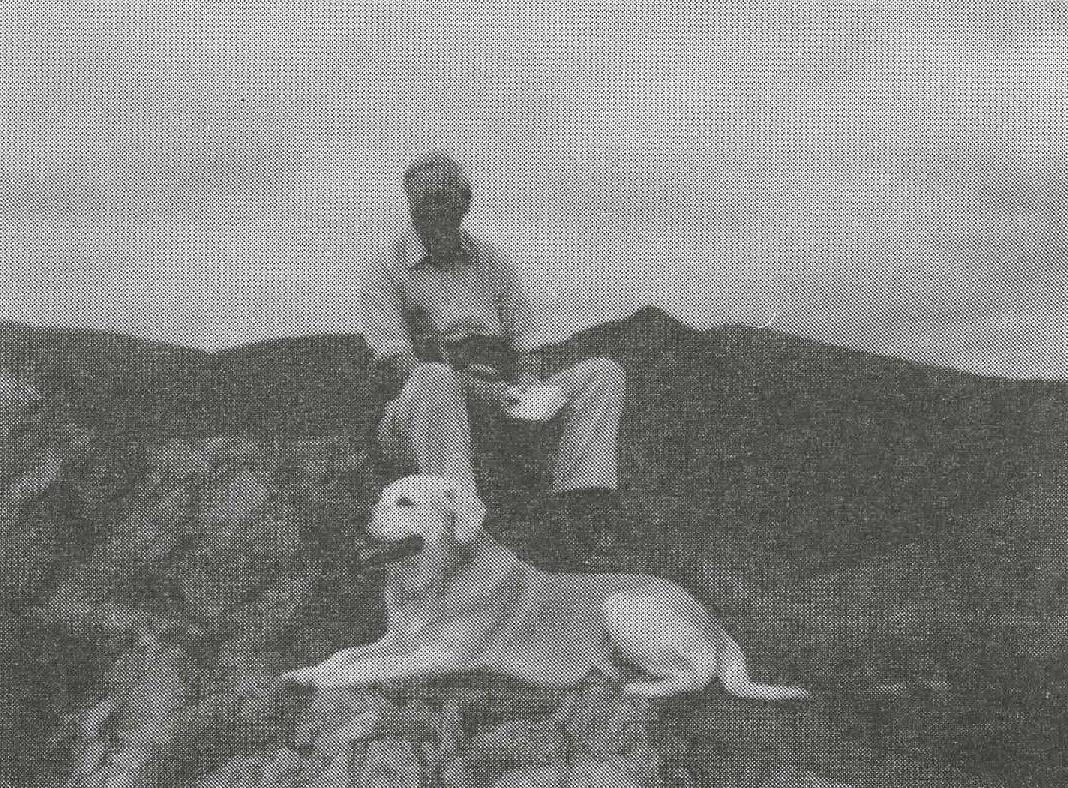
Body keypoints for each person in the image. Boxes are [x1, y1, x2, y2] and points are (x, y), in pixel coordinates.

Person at [361, 152, 627, 561]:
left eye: (443, 200)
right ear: (410, 208)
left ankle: (581, 507)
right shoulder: (386, 270)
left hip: (499, 398)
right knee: (434, 379)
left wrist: (527, 390)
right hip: (423, 406)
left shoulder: (495, 264)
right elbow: (398, 364)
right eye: (421, 203)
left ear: (464, 202)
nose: (432, 212)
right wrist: (474, 385)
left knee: (602, 374)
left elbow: (528, 342)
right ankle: (462, 520)